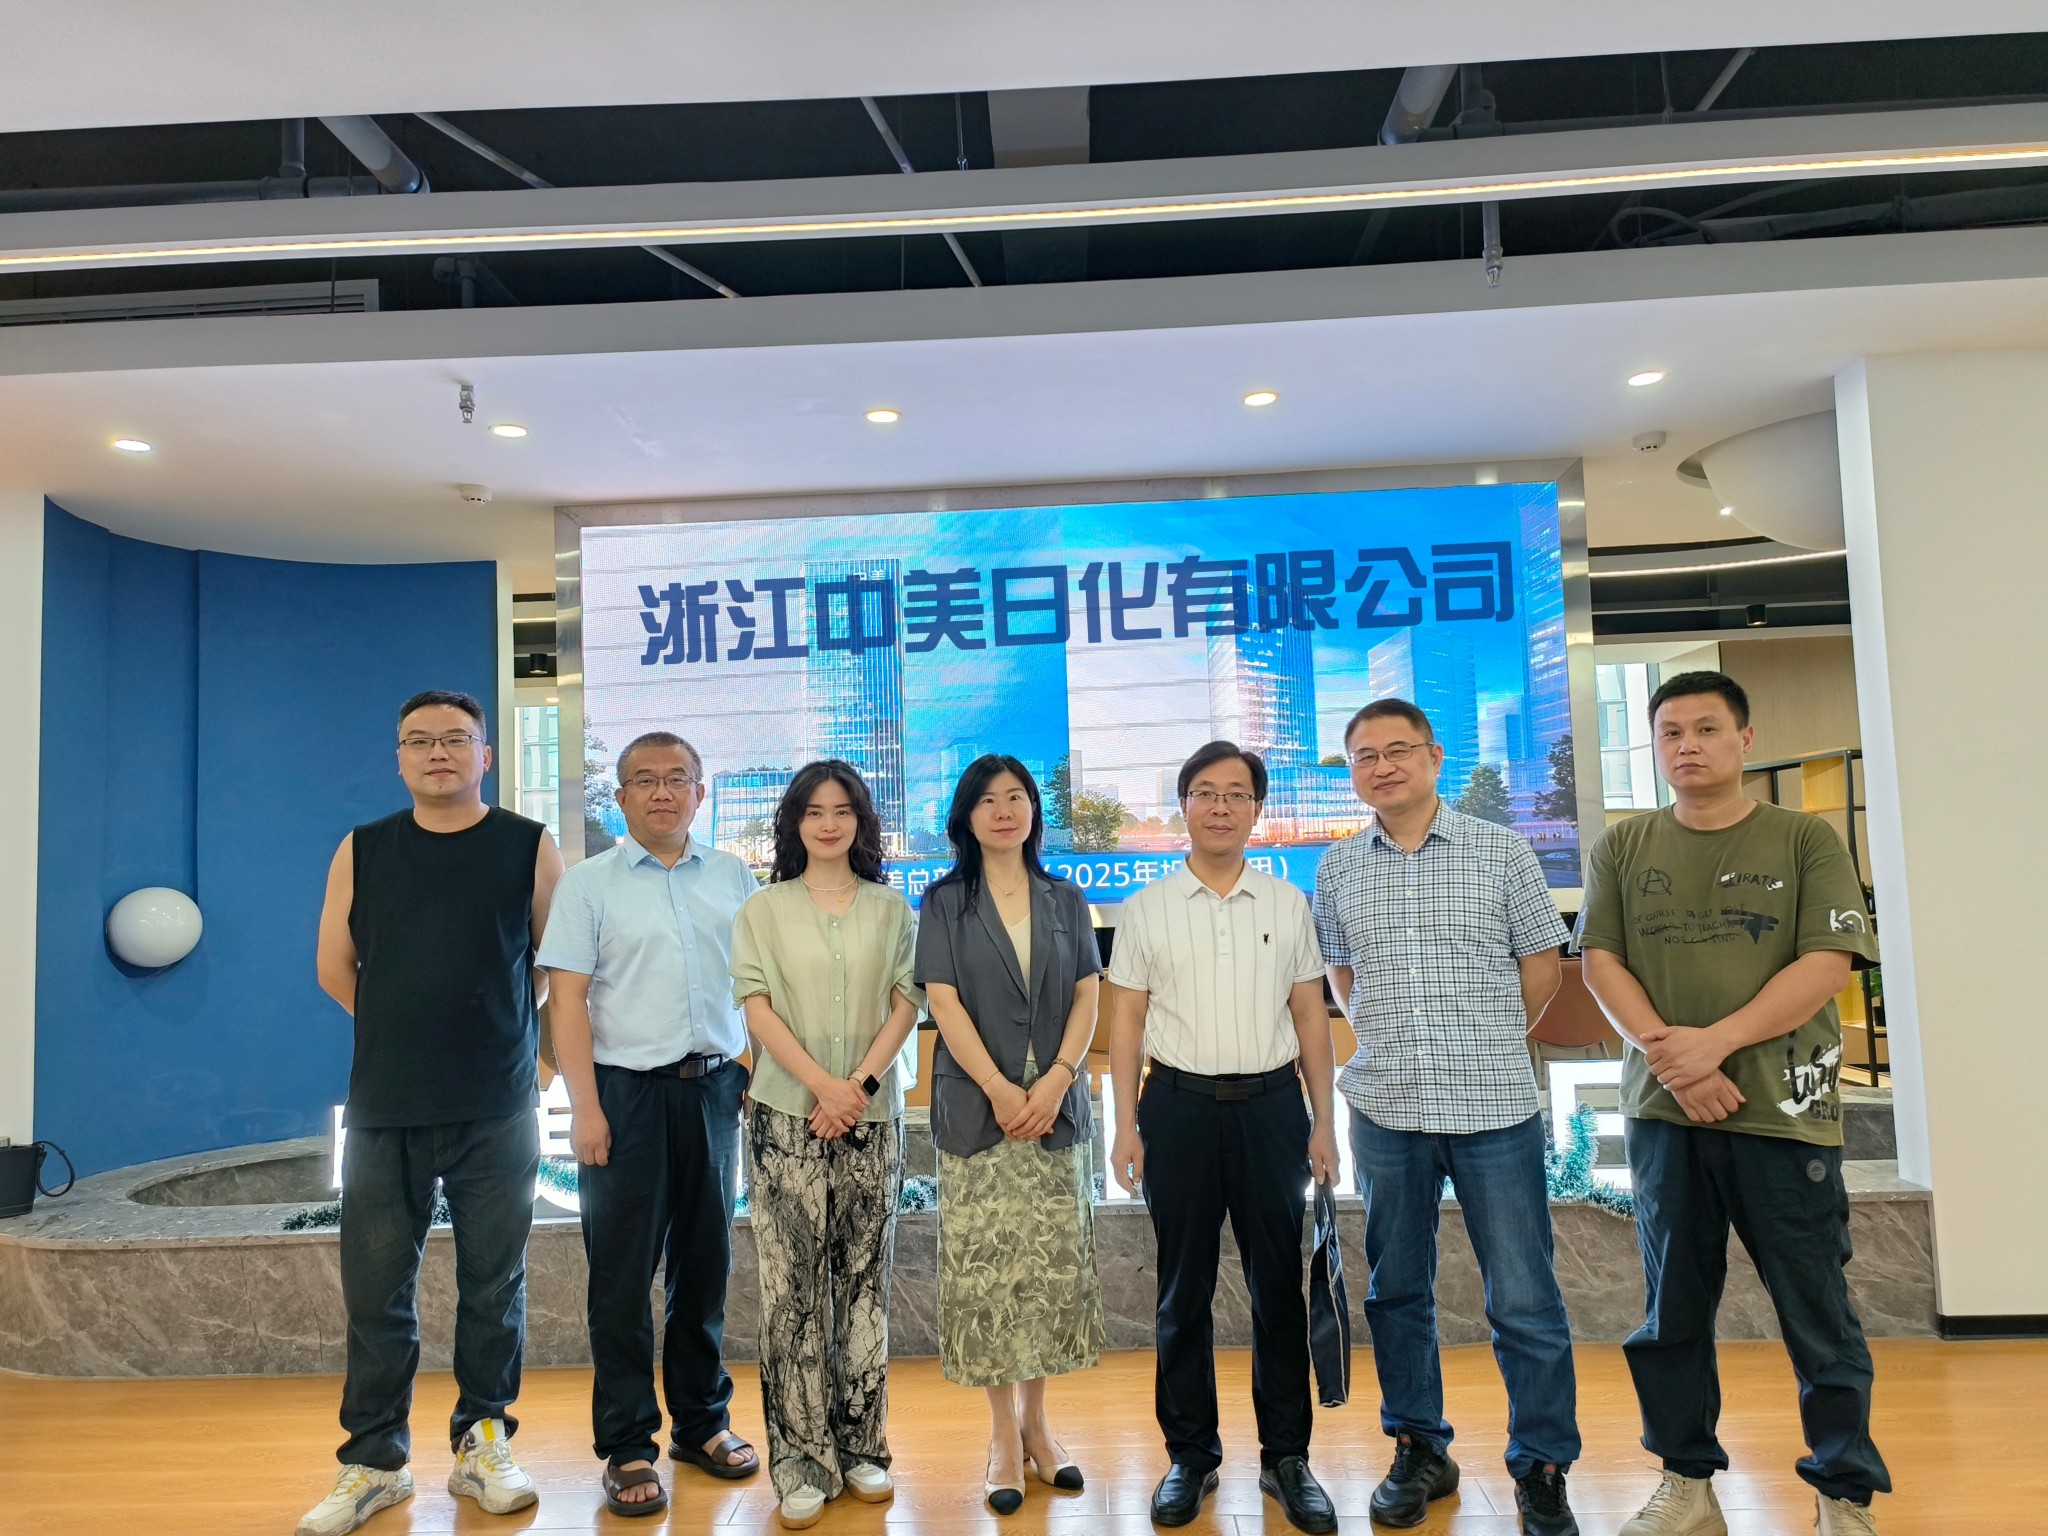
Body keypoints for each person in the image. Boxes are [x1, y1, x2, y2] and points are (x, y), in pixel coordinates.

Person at [1578, 671, 1887, 1536]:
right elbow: (1601, 964)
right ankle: (1687, 1484)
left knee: (1817, 1310)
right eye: (1670, 732)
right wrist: (1678, 1066)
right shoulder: (1624, 846)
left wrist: (1711, 1045)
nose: (1687, 745)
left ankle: (1843, 1493)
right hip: (1666, 1116)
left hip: (1784, 1114)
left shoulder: (1804, 838)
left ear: (1744, 739)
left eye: (1706, 729)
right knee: (1672, 1311)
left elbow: (1826, 964)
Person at [1312, 699, 1580, 1536]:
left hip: (1494, 1104)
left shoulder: (1502, 851)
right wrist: (1390, 1037)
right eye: (1364, 757)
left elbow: (1542, 967)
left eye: (1397, 750)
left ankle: (1541, 1466)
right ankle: (1419, 1447)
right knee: (1396, 1291)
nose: (1382, 767)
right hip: (1387, 1108)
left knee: (1524, 1296)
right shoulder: (1338, 868)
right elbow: (1343, 976)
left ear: (1433, 758)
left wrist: (1487, 1039)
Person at [299, 690, 564, 1536]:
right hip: (386, 1104)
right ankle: (375, 1463)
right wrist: (402, 1034)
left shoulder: (528, 844)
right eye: (419, 741)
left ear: (485, 753)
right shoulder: (363, 848)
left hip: (498, 1104)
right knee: (376, 1290)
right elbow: (335, 967)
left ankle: (483, 1443)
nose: (437, 752)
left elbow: (554, 965)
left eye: (455, 739)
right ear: (400, 758)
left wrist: (503, 1037)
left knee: (494, 1286)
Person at [1106, 740, 1342, 1536]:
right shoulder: (1147, 907)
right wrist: (1125, 1125)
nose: (1220, 806)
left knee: (1280, 1289)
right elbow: (1126, 1021)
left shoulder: (1285, 903)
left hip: (1273, 1111)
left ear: (1256, 810)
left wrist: (1323, 1122)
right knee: (1183, 1292)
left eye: (1236, 794)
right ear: (1184, 805)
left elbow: (1310, 1016)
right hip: (1177, 1110)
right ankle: (1190, 1456)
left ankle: (1287, 1458)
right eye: (1205, 792)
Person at [536, 731, 761, 1517]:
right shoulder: (588, 885)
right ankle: (629, 1442)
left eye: (677, 779)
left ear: (701, 792)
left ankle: (702, 1424)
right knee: (622, 1277)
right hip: (623, 1096)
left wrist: (752, 1074)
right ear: (621, 796)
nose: (662, 792)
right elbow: (566, 1002)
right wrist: (585, 1108)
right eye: (645, 780)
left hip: (715, 1090)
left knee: (706, 1266)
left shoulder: (734, 877)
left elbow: (755, 987)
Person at [729, 760, 923, 1530]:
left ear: (862, 821)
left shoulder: (892, 909)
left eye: (843, 810)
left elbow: (907, 1002)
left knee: (865, 1284)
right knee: (793, 1294)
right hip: (787, 1117)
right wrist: (821, 1086)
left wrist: (858, 1088)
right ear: (795, 823)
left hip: (871, 1119)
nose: (829, 823)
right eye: (814, 811)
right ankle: (801, 1461)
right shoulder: (763, 908)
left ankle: (863, 1446)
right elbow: (756, 1008)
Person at [916, 755, 1105, 1517]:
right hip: (979, 1110)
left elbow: (1088, 994)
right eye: (988, 799)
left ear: (1033, 810)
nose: (1005, 810)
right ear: (966, 816)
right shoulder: (944, 902)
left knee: (1050, 1270)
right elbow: (943, 1002)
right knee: (988, 1275)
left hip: (1054, 1109)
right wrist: (1000, 1088)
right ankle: (1001, 1434)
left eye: (1017, 797)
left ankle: (1039, 1425)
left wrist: (1057, 1079)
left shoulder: (1067, 898)